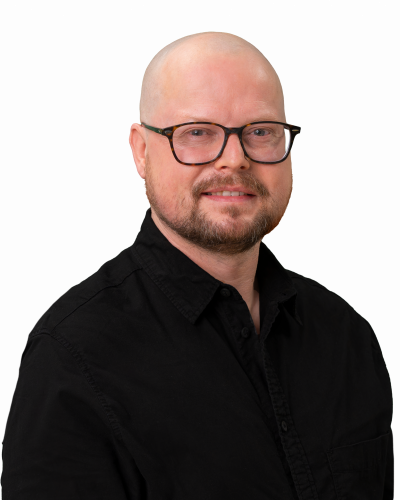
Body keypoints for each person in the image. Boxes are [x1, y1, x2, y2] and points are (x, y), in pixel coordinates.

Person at [1, 31, 394, 499]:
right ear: (141, 151)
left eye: (260, 132)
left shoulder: (346, 336)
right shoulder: (70, 357)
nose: (235, 159)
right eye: (197, 132)